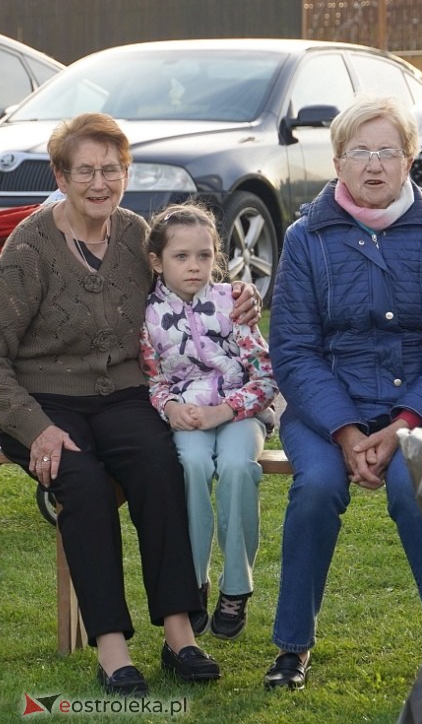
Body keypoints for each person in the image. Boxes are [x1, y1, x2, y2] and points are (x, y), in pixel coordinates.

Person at [0, 112, 261, 697]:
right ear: (60, 175)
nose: (99, 183)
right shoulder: (30, 245)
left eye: (112, 170)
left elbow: (193, 277)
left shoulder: (133, 234)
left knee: (159, 465)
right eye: (85, 171)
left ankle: (180, 632)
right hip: (45, 402)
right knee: (84, 484)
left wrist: (238, 295)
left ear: (126, 173)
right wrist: (38, 431)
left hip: (125, 394)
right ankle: (111, 645)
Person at [265, 94, 422, 690]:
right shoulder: (307, 238)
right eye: (359, 151)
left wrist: (407, 421)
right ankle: (291, 648)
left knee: (417, 492)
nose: (373, 164)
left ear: (410, 160)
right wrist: (346, 430)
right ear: (337, 162)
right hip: (324, 414)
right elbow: (293, 350)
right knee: (316, 489)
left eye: (388, 151)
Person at [138, 202, 276, 641]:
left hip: (241, 412)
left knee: (237, 468)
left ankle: (236, 587)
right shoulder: (147, 316)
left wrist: (226, 410)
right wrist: (171, 410)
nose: (194, 267)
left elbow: (267, 376)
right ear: (157, 262)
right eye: (181, 257)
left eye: (204, 255)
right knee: (191, 468)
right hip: (186, 418)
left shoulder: (233, 302)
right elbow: (152, 379)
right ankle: (192, 582)